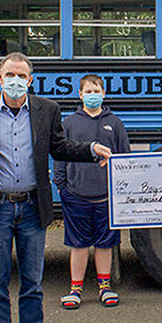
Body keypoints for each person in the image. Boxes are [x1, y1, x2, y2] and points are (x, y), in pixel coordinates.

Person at [0, 52, 112, 323]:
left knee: (32, 286)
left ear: (30, 80)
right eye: (9, 74)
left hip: (31, 208)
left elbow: (59, 147)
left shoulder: (47, 110)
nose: (15, 80)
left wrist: (90, 149)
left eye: (22, 75)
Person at [54, 74, 130, 309]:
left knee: (105, 244)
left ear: (104, 93)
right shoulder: (69, 123)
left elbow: (124, 157)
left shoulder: (114, 123)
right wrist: (62, 187)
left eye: (96, 91)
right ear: (80, 94)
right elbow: (59, 154)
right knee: (78, 244)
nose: (92, 95)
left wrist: (119, 187)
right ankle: (75, 288)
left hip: (106, 196)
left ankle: (105, 288)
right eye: (88, 91)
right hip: (76, 195)